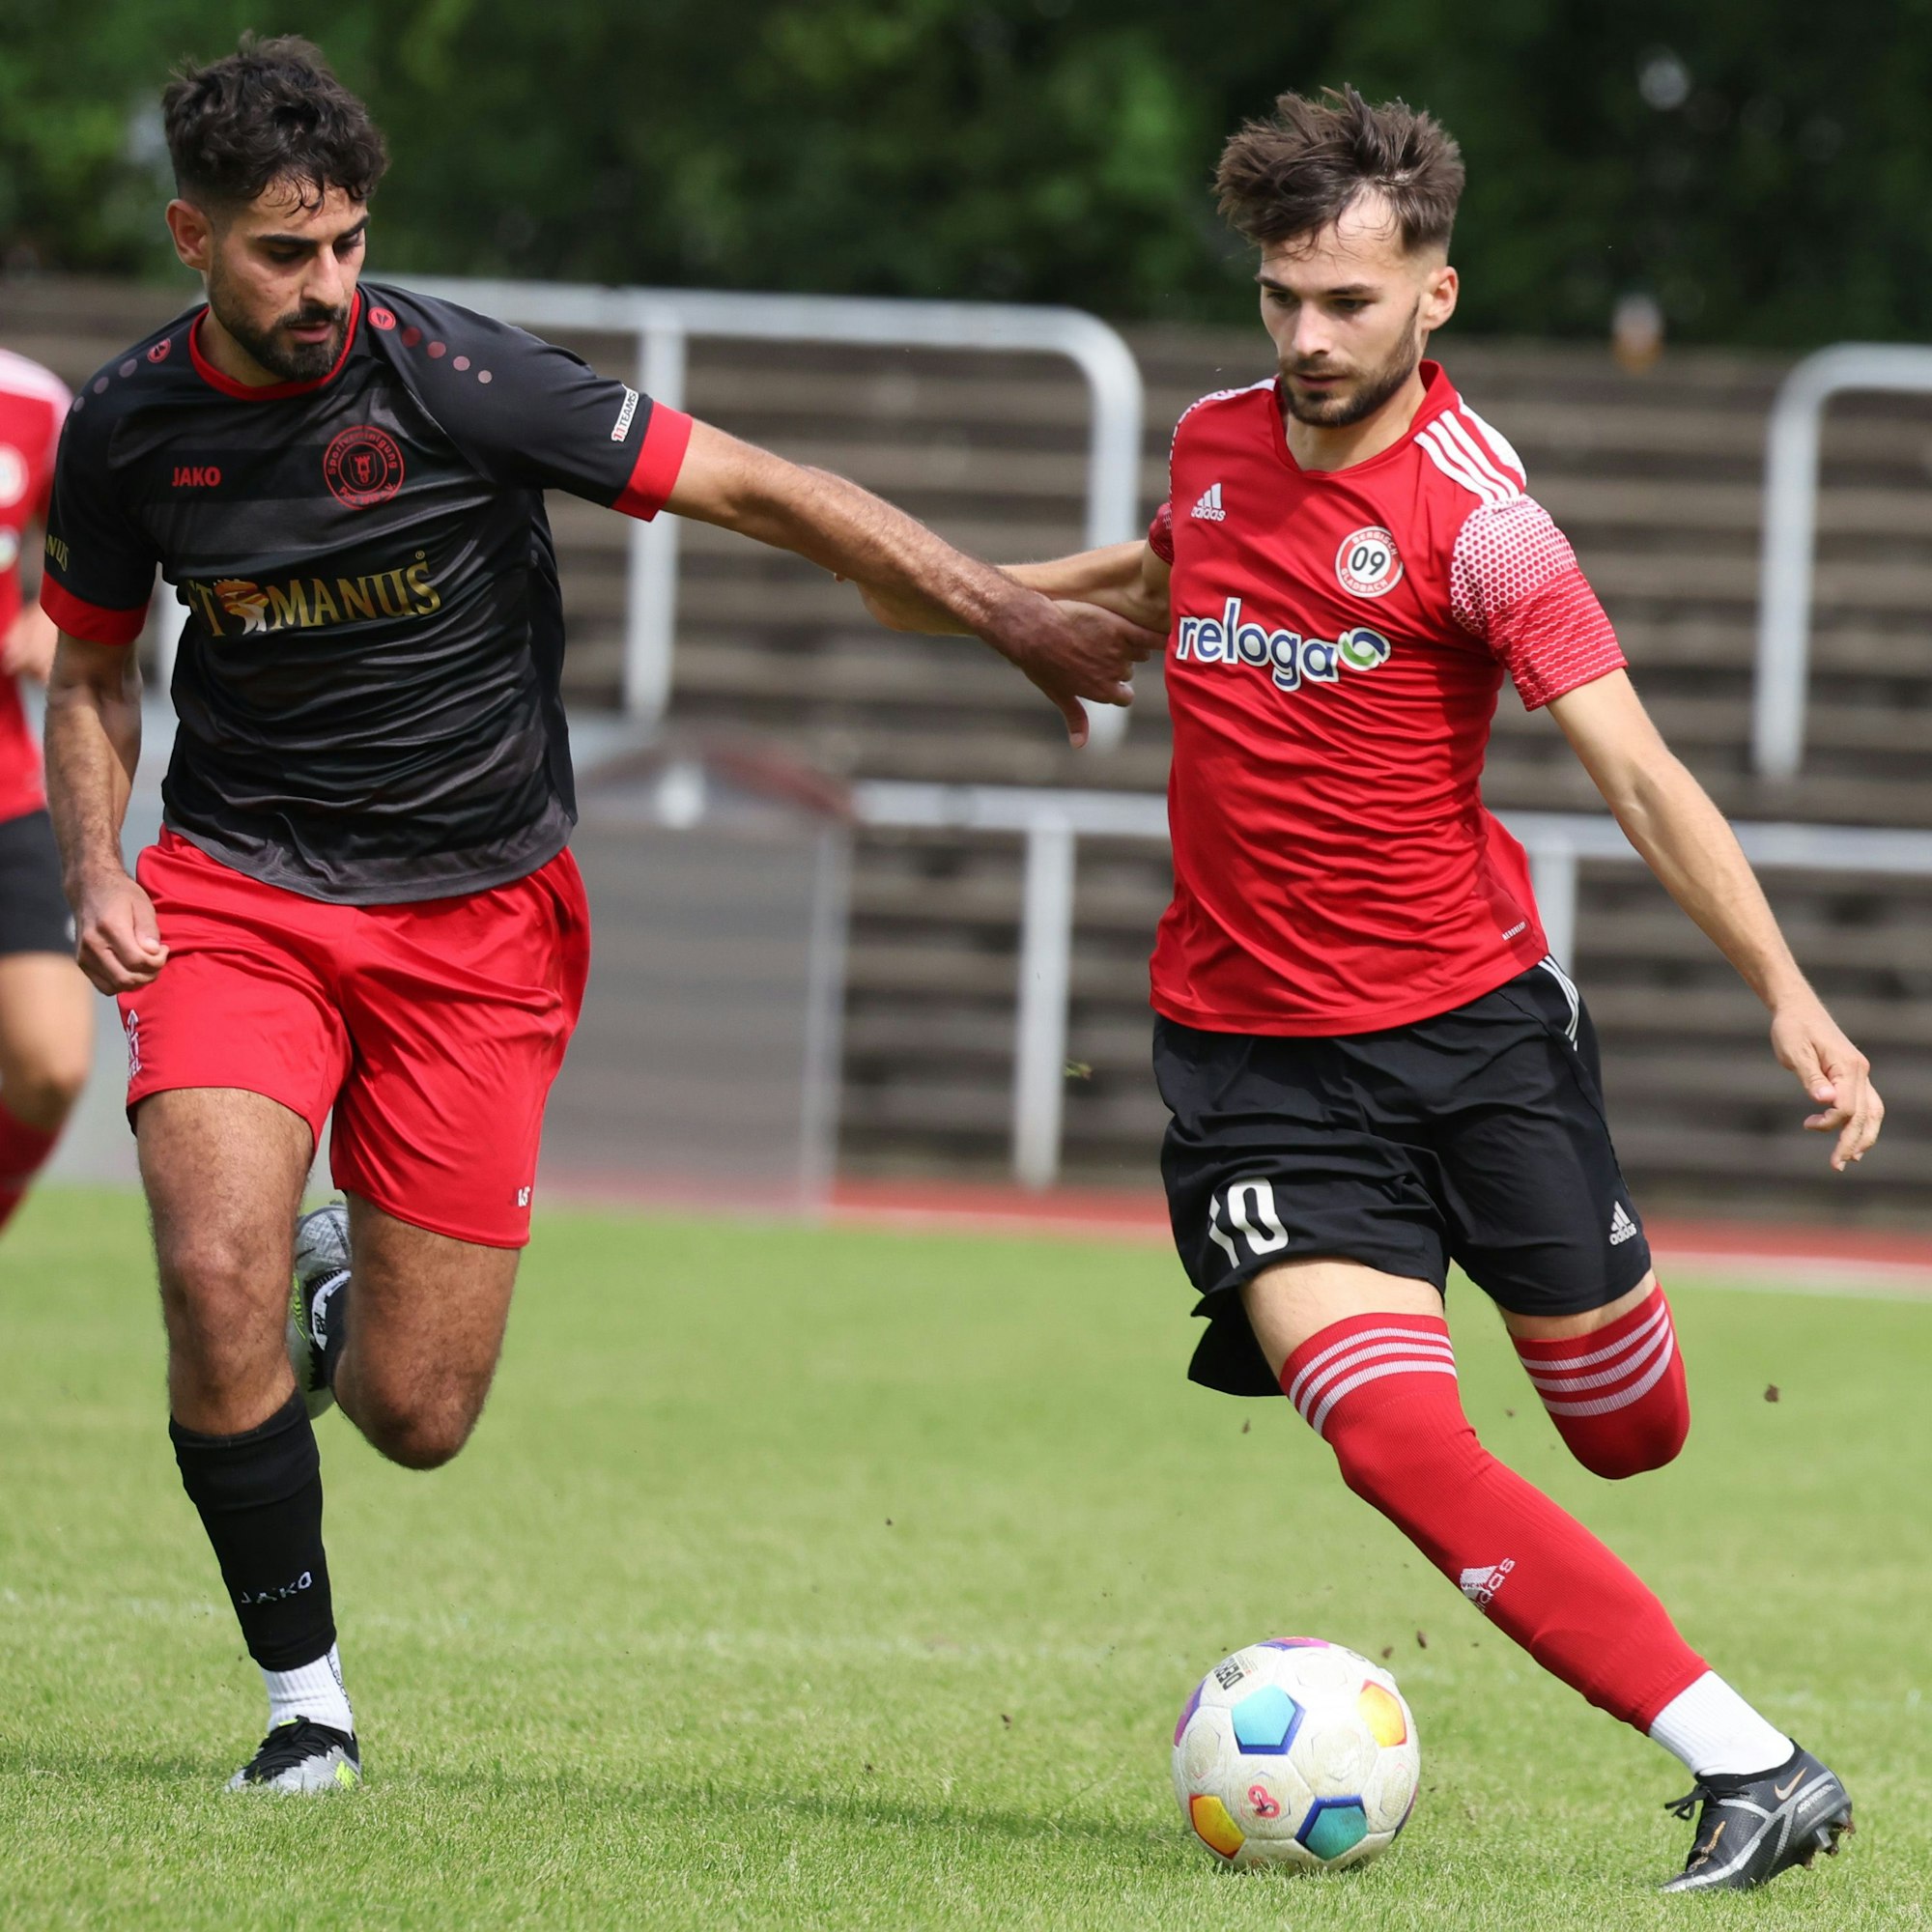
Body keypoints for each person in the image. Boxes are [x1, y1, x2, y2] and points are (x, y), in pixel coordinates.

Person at [42, 34, 1155, 1796]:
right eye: (282, 252)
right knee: (208, 1266)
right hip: (240, 894)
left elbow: (764, 492)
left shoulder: (458, 375)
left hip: (478, 917)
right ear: (193, 239)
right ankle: (304, 1707)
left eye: (344, 243)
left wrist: (1003, 609)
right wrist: (98, 869)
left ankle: (338, 1305)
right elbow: (93, 675)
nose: (326, 284)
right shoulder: (126, 431)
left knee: (419, 1415)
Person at [858, 88, 1879, 1893]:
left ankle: (1549, 1298)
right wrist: (980, 595)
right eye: (1280, 299)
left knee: (1628, 1433)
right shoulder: (1208, 440)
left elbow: (1638, 772)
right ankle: (1752, 1765)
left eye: (1347, 302)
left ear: (1437, 298)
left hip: (1480, 1048)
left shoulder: (1490, 529)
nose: (1308, 338)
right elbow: (1173, 571)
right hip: (1254, 1074)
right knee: (1398, 1441)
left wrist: (1787, 994)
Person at [0, 346, 93, 1236]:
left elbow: (99, 529)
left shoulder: (33, 400)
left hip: (7, 788)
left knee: (53, 1061)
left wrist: (47, 610)